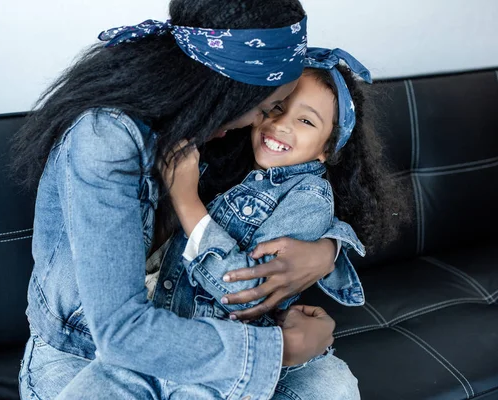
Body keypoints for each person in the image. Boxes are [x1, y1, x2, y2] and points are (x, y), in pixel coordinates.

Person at [13, 1, 366, 399]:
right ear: (230, 90)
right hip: (92, 353)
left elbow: (295, 188)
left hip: (196, 329)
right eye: (268, 107)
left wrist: (327, 249)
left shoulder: (211, 123)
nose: (263, 123)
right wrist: (284, 350)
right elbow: (121, 333)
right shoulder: (102, 140)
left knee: (330, 386)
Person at [156, 50, 408, 388]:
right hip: (170, 332)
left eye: (306, 121)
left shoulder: (309, 199)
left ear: (328, 149)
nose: (281, 123)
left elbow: (248, 290)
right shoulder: (238, 166)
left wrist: (187, 202)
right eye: (276, 107)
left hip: (223, 363)